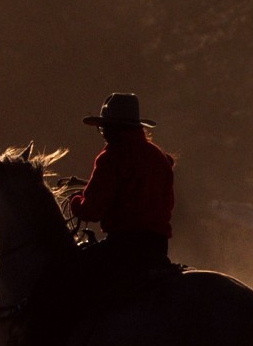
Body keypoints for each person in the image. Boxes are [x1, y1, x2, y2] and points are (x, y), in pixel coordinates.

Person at [69, 93, 175, 285]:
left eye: (103, 127)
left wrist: (75, 201)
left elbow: (92, 211)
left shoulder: (112, 157)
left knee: (69, 271)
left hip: (124, 247)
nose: (102, 132)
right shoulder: (158, 156)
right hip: (158, 247)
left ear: (112, 127)